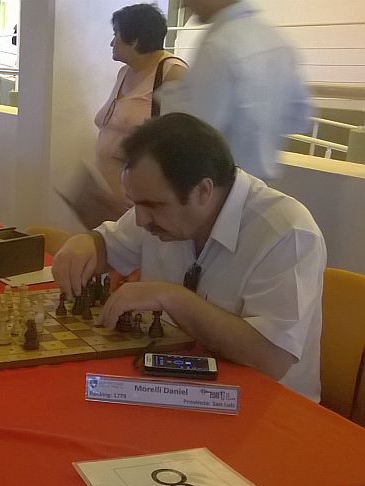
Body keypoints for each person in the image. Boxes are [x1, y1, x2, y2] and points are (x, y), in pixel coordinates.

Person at [52, 113, 325, 401]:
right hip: (174, 385)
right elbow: (106, 247)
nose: (141, 220)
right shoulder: (161, 212)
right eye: (135, 204)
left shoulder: (287, 233)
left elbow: (270, 359)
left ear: (203, 191)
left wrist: (170, 297)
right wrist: (86, 243)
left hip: (268, 405)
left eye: (152, 206)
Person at [158, 0, 311, 180]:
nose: (184, 5)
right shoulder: (275, 39)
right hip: (258, 183)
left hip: (217, 183)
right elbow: (298, 119)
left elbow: (195, 137)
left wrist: (171, 97)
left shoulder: (218, 46)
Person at [91, 4, 187, 211]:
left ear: (134, 40)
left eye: (115, 35)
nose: (111, 43)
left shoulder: (172, 73)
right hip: (110, 200)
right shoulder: (124, 72)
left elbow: (176, 144)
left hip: (141, 201)